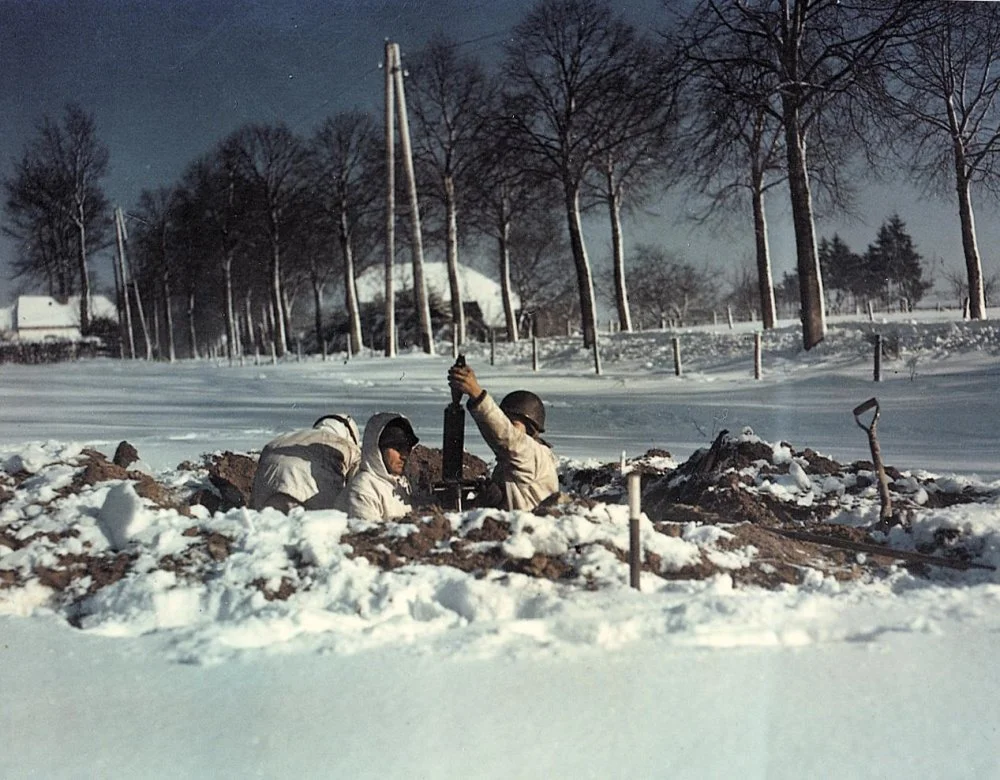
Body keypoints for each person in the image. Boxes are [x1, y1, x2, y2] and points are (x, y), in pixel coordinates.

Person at [447, 362, 558, 511]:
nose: (507, 427)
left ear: (531, 431)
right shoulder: (512, 462)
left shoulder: (535, 455)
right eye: (505, 421)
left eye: (513, 423)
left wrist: (476, 394)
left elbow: (507, 437)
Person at [250, 414, 362, 513]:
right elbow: (357, 487)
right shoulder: (348, 447)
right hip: (312, 506)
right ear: (350, 435)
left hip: (265, 501)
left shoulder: (278, 440)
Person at [338, 412, 419, 521]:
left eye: (407, 448)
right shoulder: (363, 490)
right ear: (377, 449)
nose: (404, 455)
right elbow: (369, 535)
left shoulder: (402, 486)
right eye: (398, 448)